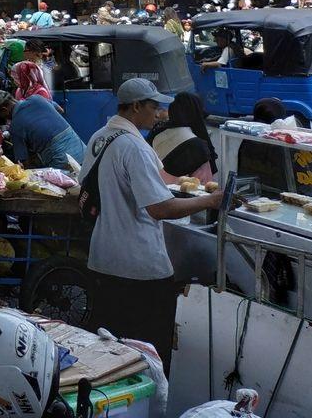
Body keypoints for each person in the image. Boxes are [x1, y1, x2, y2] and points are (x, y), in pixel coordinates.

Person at [81, 78, 223, 370]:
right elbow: (160, 208)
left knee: (108, 347)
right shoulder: (134, 147)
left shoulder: (98, 137)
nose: (159, 113)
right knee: (147, 353)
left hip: (102, 259)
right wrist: (210, 202)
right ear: (136, 107)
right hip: (139, 267)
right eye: (154, 107)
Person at [0, 90, 83, 170]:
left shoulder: (16, 126)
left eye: (0, 115)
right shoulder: (37, 98)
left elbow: (25, 163)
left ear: (4, 110)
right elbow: (60, 110)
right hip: (83, 151)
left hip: (63, 162)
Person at [147, 92, 217, 184]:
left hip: (156, 189)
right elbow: (204, 184)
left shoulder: (156, 133)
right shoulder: (197, 145)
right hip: (183, 195)